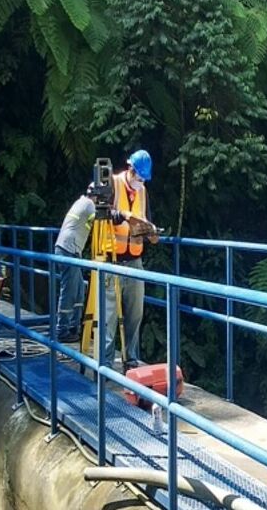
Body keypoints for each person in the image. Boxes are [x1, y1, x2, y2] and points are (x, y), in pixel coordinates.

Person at [104, 149, 158, 371]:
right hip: (112, 259)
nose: (140, 182)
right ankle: (105, 364)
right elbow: (98, 212)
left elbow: (146, 221)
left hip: (135, 261)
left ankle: (131, 360)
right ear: (130, 169)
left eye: (144, 179)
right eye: (139, 177)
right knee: (108, 317)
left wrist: (151, 232)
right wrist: (115, 215)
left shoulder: (143, 192)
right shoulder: (113, 184)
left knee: (135, 313)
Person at [54, 184, 103, 343]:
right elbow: (102, 220)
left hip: (70, 250)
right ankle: (62, 330)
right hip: (68, 250)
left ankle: (75, 327)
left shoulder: (81, 201)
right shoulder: (89, 205)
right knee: (69, 290)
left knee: (80, 289)